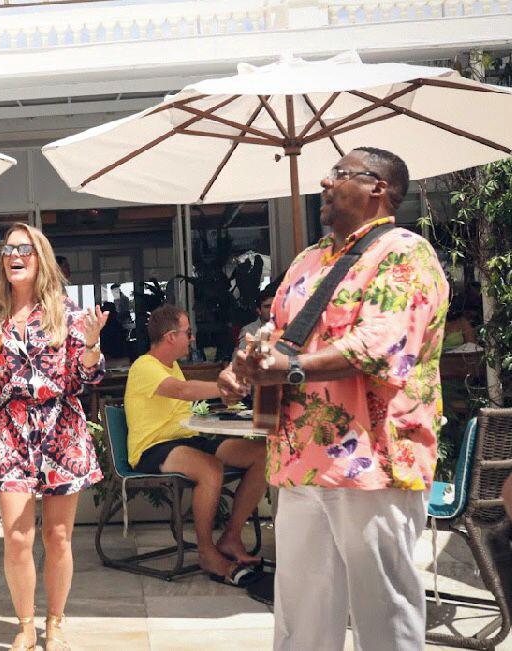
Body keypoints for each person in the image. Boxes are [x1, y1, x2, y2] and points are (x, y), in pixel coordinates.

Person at [220, 147, 448, 651]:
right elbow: (275, 337)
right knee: (302, 614)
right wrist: (244, 363)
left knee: (382, 611)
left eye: (340, 174)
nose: (325, 182)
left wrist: (290, 366)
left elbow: (381, 344)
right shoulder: (308, 260)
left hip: (373, 461)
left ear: (378, 188)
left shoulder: (405, 253)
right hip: (298, 459)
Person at [0, 223, 106, 651]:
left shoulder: (68, 314)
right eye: (8, 249)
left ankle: (55, 623)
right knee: (16, 536)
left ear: (39, 258)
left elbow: (85, 377)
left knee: (58, 536)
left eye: (24, 248)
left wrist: (92, 346)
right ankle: (25, 625)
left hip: (61, 428)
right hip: (11, 429)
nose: (15, 254)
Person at [125, 304, 266, 585]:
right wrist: (224, 386)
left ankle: (231, 537)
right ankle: (206, 552)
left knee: (261, 455)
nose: (192, 338)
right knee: (210, 469)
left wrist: (226, 394)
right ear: (170, 337)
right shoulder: (144, 366)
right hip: (153, 447)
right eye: (188, 333)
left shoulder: (172, 365)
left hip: (187, 439)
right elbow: (183, 391)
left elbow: (186, 397)